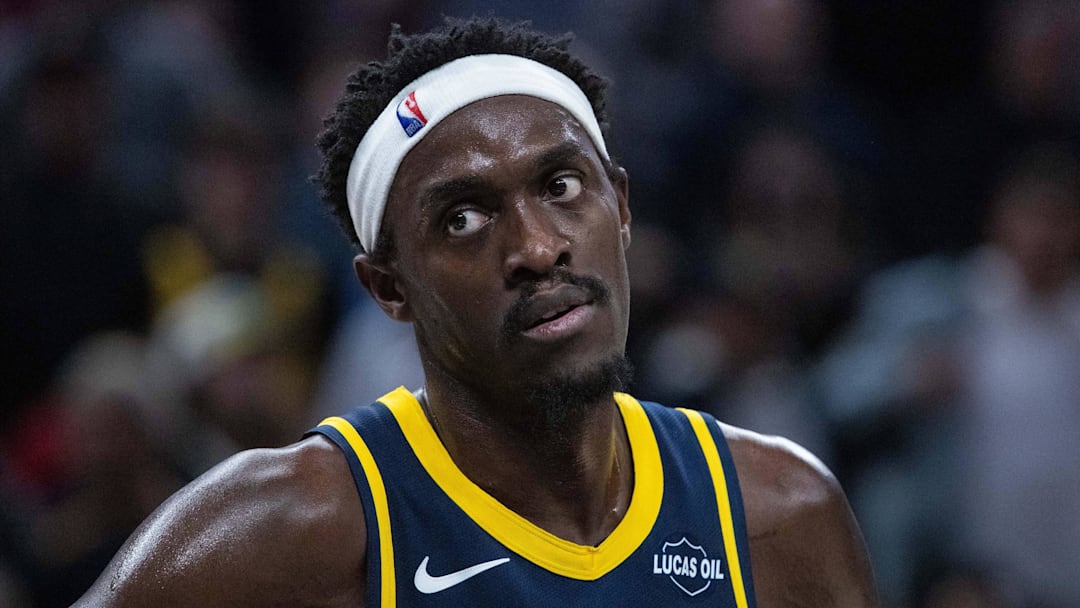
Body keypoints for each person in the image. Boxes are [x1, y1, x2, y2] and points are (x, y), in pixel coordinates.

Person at [74, 17, 878, 607]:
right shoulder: (292, 525)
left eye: (561, 186)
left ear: (623, 207)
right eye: (463, 218)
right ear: (388, 288)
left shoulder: (780, 511)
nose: (538, 247)